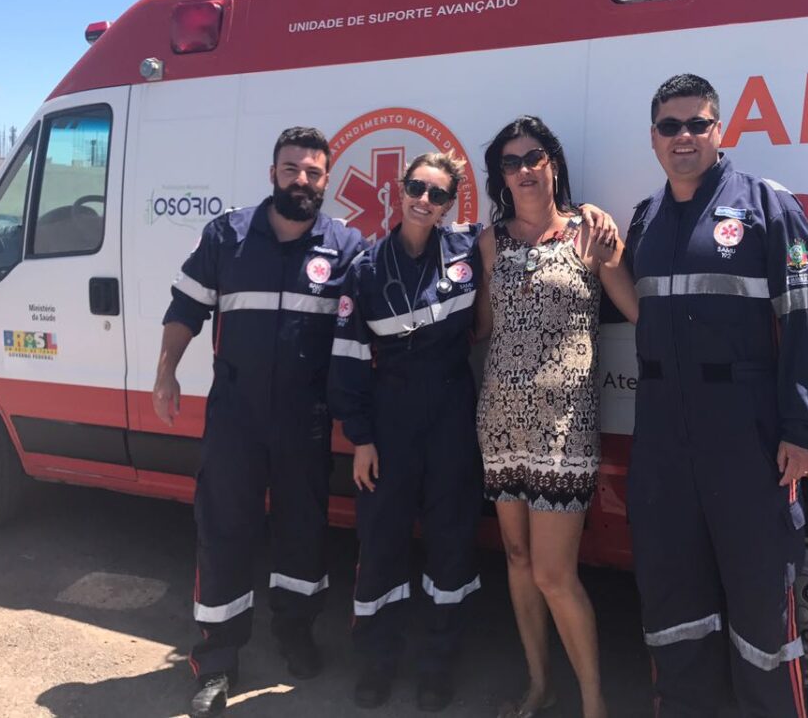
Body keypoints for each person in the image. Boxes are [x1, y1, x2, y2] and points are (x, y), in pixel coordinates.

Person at [623, 74, 808, 718]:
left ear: (720, 130)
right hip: (662, 436)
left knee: (762, 605)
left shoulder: (768, 206)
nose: (684, 137)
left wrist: (806, 427)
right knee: (671, 598)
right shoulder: (647, 217)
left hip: (744, 437)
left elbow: (805, 316)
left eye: (698, 124)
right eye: (670, 127)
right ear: (654, 138)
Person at [153, 127, 364, 718]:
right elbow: (186, 307)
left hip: (306, 420)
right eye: (291, 169)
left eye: (313, 172)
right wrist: (166, 372)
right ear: (273, 173)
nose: (302, 180)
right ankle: (217, 660)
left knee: (303, 532)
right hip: (237, 418)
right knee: (224, 530)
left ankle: (295, 633)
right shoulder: (229, 235)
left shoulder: (346, 246)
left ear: (327, 180)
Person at [474, 117, 639, 718]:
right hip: (500, 422)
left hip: (563, 430)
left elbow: (637, 312)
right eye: (510, 162)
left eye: (533, 157)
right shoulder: (490, 242)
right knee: (517, 560)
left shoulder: (589, 232)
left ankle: (595, 704)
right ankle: (539, 686)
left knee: (553, 574)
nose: (523, 169)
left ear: (553, 163)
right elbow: (481, 329)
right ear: (500, 176)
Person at [328, 151, 484, 712]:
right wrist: (361, 438)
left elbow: (530, 228)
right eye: (417, 187)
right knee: (381, 542)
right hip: (389, 417)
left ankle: (438, 664)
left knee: (451, 538)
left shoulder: (470, 249)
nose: (424, 200)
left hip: (451, 412)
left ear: (450, 204)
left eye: (437, 194)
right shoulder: (366, 268)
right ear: (400, 189)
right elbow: (348, 358)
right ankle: (377, 662)